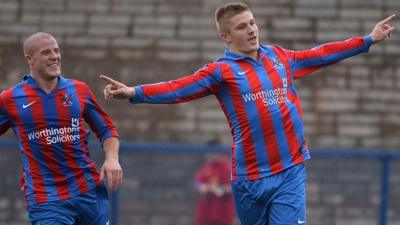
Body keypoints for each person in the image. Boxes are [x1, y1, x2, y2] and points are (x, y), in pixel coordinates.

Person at [100, 2, 395, 225]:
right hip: (249, 178)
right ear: (225, 36)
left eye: (252, 23)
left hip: (290, 168)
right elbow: (179, 88)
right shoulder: (221, 71)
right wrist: (135, 92)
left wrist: (366, 40)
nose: (252, 30)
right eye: (242, 26)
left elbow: (321, 53)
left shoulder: (279, 57)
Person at [0, 32, 123, 225]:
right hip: (46, 198)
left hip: (87, 192)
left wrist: (112, 158)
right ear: (29, 59)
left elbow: (107, 129)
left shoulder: (79, 90)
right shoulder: (10, 99)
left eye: (56, 51)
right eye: (46, 52)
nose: (54, 56)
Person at [194, 149, 236, 225]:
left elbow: (234, 187)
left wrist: (221, 189)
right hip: (207, 210)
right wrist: (205, 187)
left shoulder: (228, 167)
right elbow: (197, 183)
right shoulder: (207, 166)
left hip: (223, 211)